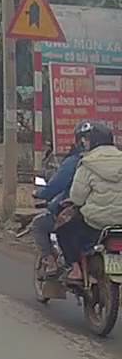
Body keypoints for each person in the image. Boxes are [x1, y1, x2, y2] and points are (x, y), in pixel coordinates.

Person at [58, 120, 122, 283]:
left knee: (64, 228)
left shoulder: (87, 163)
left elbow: (77, 198)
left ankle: (76, 270)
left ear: (91, 142)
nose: (84, 144)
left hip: (96, 222)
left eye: (85, 140)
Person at [30, 143, 83, 276]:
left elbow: (56, 186)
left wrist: (40, 194)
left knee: (40, 225)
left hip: (82, 212)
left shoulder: (77, 162)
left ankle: (51, 262)